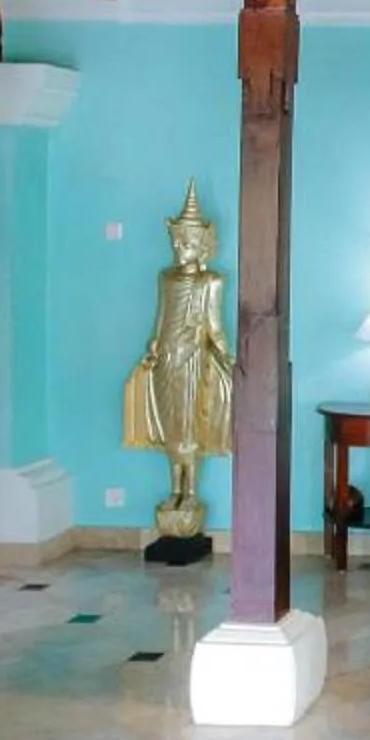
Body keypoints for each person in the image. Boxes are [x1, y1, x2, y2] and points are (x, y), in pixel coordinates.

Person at [125, 183, 232, 546]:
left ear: (202, 247)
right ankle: (175, 489)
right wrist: (153, 346)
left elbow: (214, 326)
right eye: (177, 243)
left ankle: (191, 491)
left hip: (193, 359)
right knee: (171, 424)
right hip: (168, 356)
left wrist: (225, 355)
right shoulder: (166, 278)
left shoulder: (210, 281)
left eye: (187, 244)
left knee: (190, 425)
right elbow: (161, 317)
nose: (179, 250)